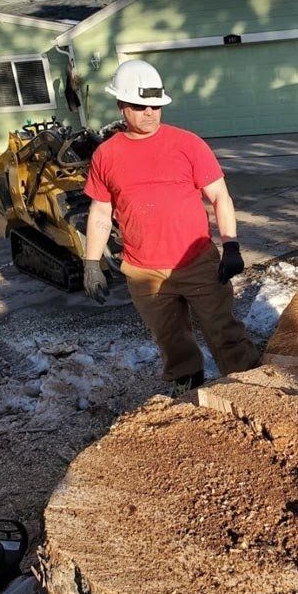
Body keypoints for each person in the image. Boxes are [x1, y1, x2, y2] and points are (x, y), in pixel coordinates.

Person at [82, 59, 258, 392]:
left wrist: (231, 245)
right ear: (121, 106)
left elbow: (219, 195)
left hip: (196, 263)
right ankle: (186, 391)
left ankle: (252, 388)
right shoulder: (106, 155)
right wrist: (92, 262)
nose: (150, 112)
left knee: (225, 332)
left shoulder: (187, 144)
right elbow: (102, 212)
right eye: (140, 105)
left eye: (156, 105)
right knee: (171, 341)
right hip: (142, 270)